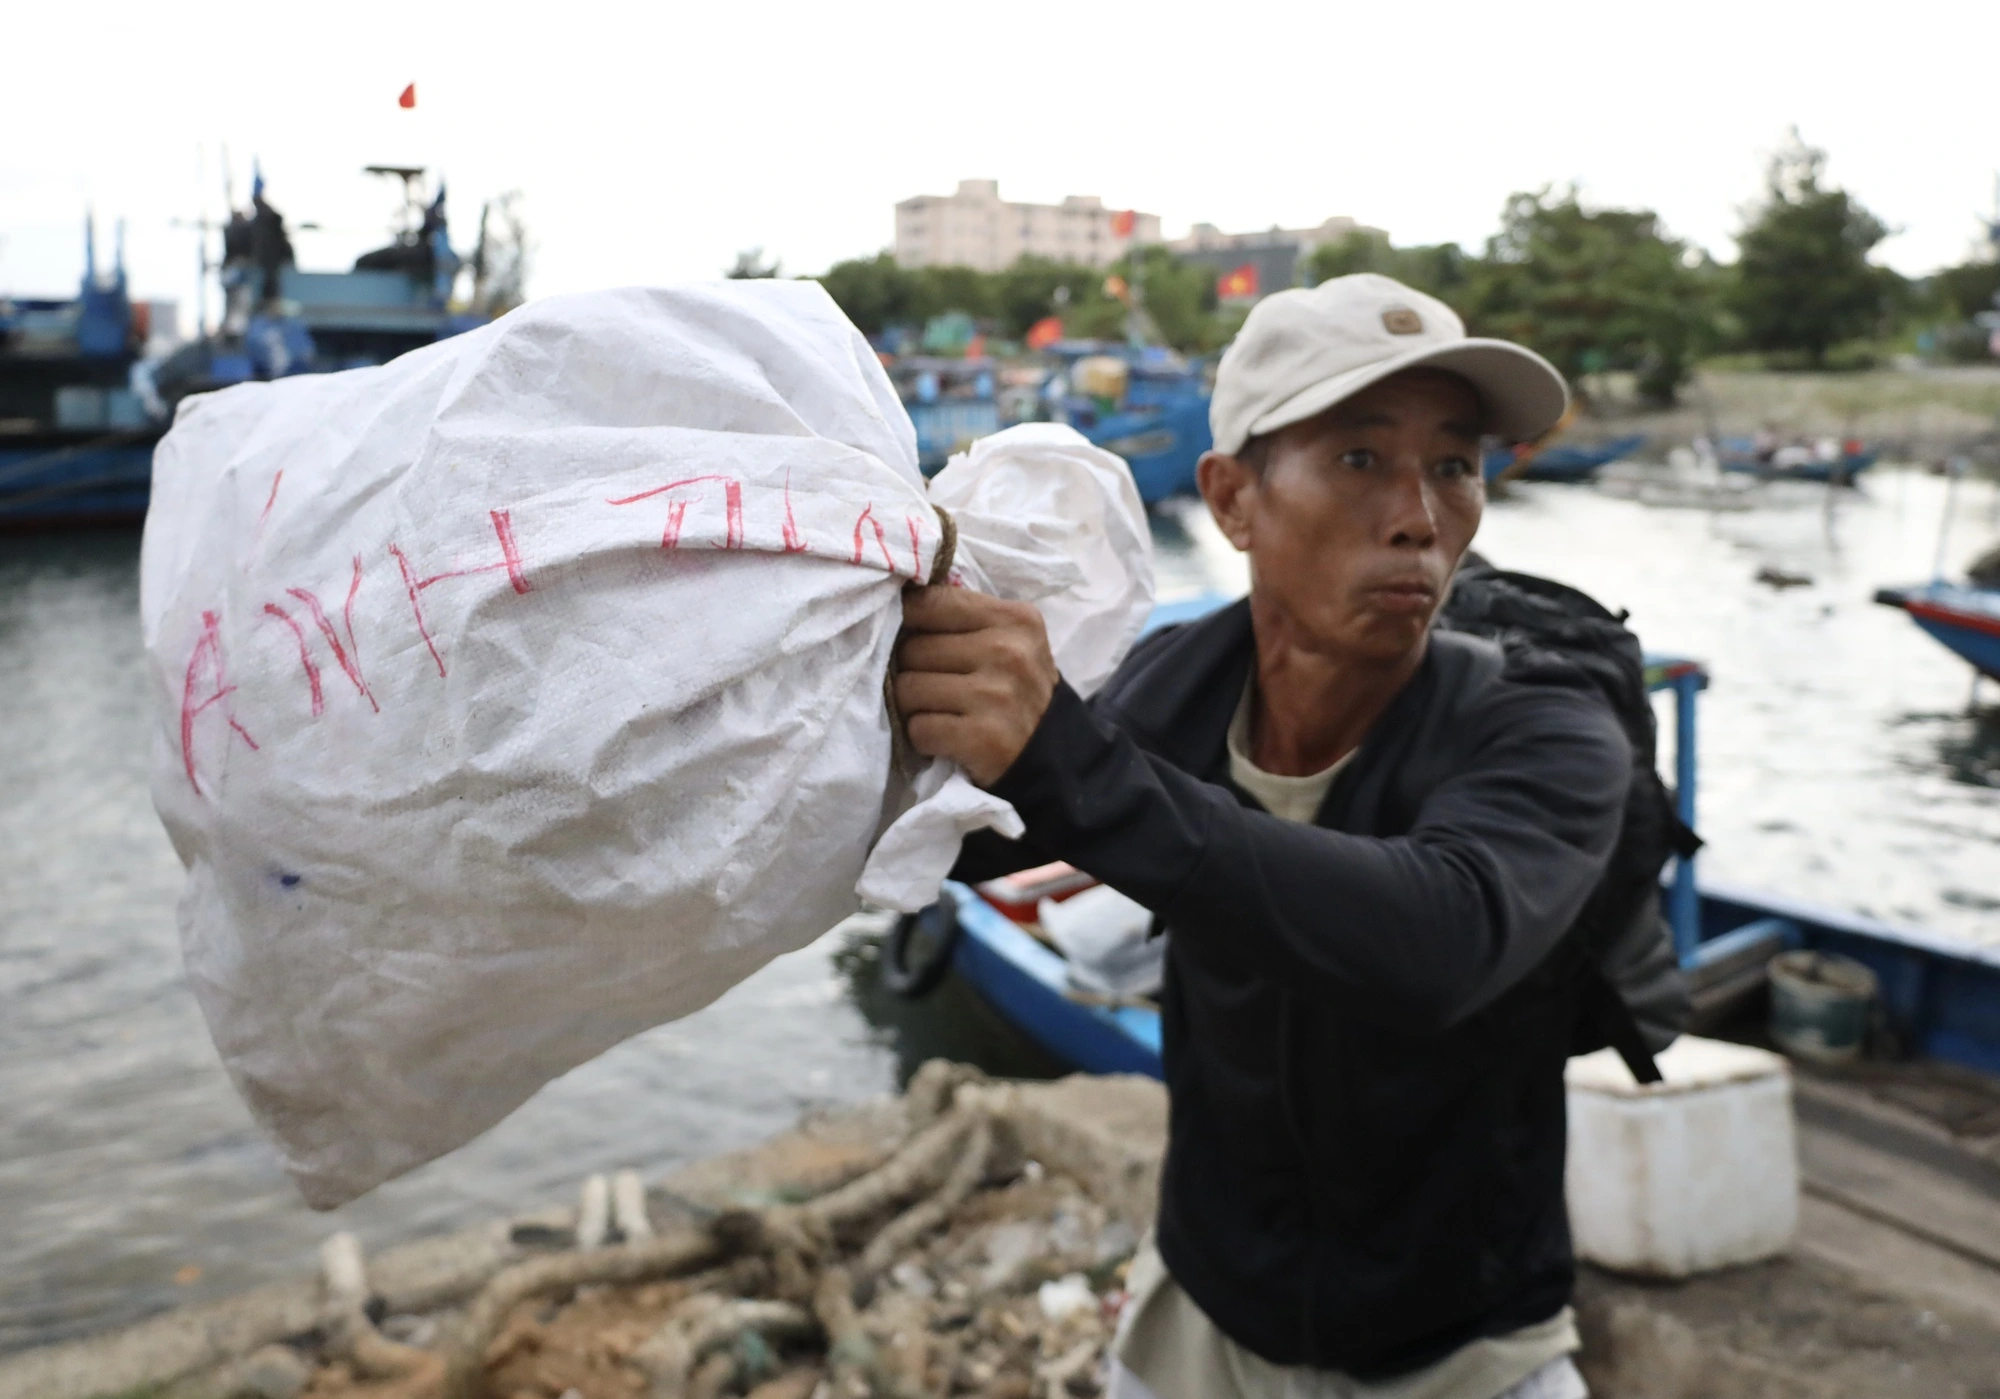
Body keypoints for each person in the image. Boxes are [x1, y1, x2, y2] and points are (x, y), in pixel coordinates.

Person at [895, 274, 1630, 1399]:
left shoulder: (1542, 720)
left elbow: (1436, 936)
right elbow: (967, 835)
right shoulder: (1180, 686)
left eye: (1453, 464)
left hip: (1463, 1347)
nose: (1418, 516)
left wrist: (1065, 758)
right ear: (1232, 499)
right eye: (1358, 459)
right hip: (1206, 1307)